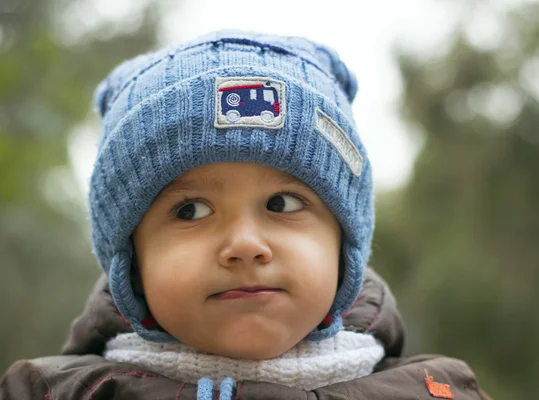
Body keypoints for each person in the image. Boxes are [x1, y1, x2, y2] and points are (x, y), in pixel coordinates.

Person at [0, 30, 490, 399]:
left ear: (344, 244)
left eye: (282, 204)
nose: (245, 244)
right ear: (131, 261)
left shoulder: (435, 389)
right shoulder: (54, 392)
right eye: (190, 210)